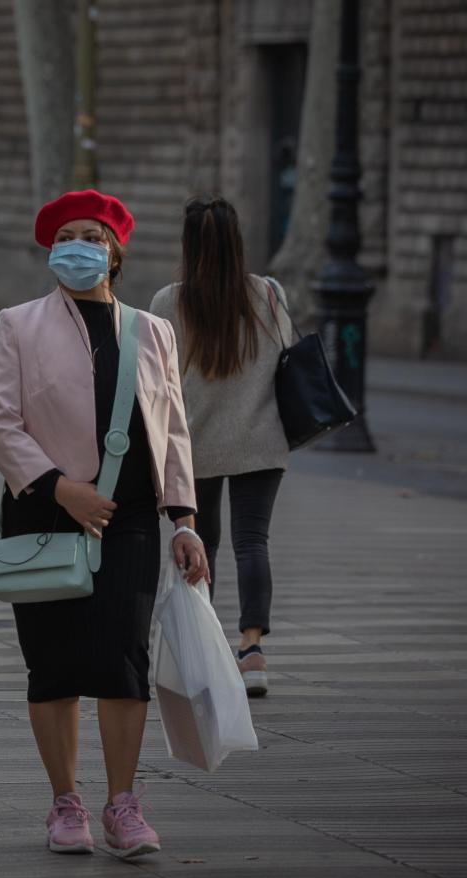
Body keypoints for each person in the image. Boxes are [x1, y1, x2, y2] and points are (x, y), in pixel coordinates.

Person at [0, 189, 207, 859]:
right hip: (41, 511)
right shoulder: (17, 324)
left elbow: (173, 431)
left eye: (93, 236)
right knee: (51, 665)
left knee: (123, 659)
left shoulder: (152, 330)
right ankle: (65, 801)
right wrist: (62, 489)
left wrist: (185, 519)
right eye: (68, 235)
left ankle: (122, 803)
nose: (79, 245)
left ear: (115, 252)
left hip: (131, 519)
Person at [148, 197, 294, 696]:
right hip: (260, 439)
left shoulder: (169, 301)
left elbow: (154, 379)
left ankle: (203, 651)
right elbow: (284, 355)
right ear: (237, 242)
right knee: (252, 542)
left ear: (189, 246)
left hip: (193, 446)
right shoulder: (268, 294)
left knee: (199, 544)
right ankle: (252, 651)